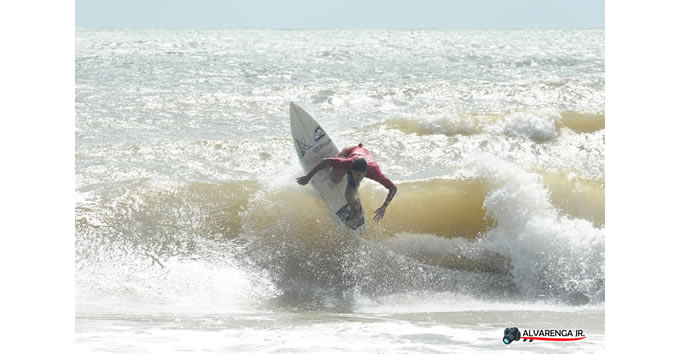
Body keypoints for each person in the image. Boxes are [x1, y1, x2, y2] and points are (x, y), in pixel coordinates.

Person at [296, 143, 397, 222]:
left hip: (364, 156)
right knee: (335, 178)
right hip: (349, 150)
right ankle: (344, 172)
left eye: (358, 175)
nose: (355, 177)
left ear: (365, 173)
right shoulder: (348, 163)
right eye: (353, 174)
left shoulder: (375, 173)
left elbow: (393, 188)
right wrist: (308, 177)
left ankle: (358, 212)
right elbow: (325, 161)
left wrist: (384, 207)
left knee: (348, 195)